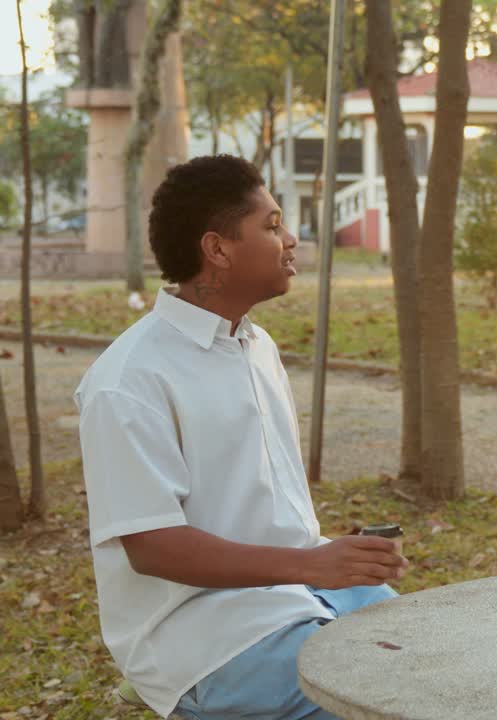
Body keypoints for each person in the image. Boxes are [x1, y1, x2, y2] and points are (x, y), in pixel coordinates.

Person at [75, 155, 407, 719]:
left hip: (302, 594)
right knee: (396, 701)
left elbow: (258, 510)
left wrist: (339, 558)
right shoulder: (128, 381)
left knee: (449, 657)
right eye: (273, 225)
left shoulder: (257, 347)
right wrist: (311, 567)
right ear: (218, 249)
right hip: (205, 636)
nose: (292, 240)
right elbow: (152, 547)